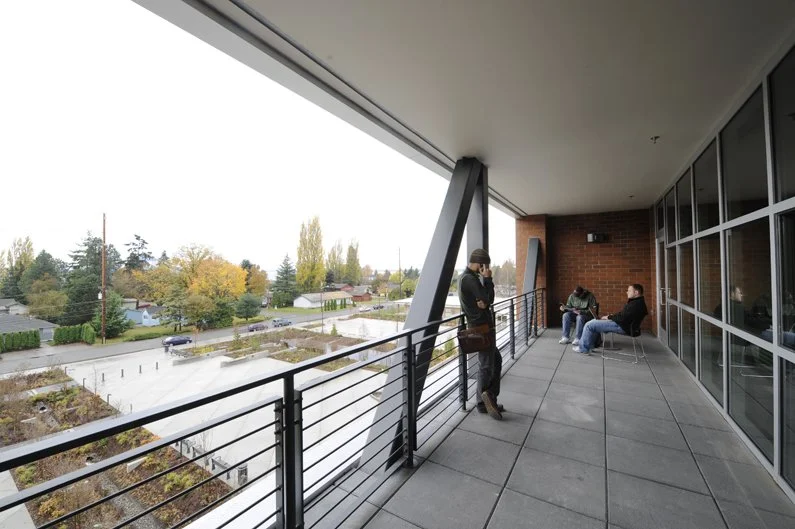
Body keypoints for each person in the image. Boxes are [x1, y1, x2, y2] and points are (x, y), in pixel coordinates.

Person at [458, 248, 503, 420]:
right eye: (485, 266)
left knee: (495, 360)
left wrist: (484, 302)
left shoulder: (464, 277)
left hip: (480, 327)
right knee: (486, 366)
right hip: (482, 328)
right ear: (480, 264)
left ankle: (488, 398)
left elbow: (484, 301)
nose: (486, 269)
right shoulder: (470, 279)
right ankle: (483, 402)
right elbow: (488, 299)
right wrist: (488, 278)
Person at [574, 284, 648, 355]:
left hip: (623, 327)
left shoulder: (635, 304)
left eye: (629, 290)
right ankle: (590, 346)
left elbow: (622, 318)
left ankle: (583, 349)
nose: (627, 292)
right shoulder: (638, 302)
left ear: (636, 292)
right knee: (594, 322)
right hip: (626, 325)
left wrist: (609, 317)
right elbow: (623, 315)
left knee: (589, 325)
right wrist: (611, 316)